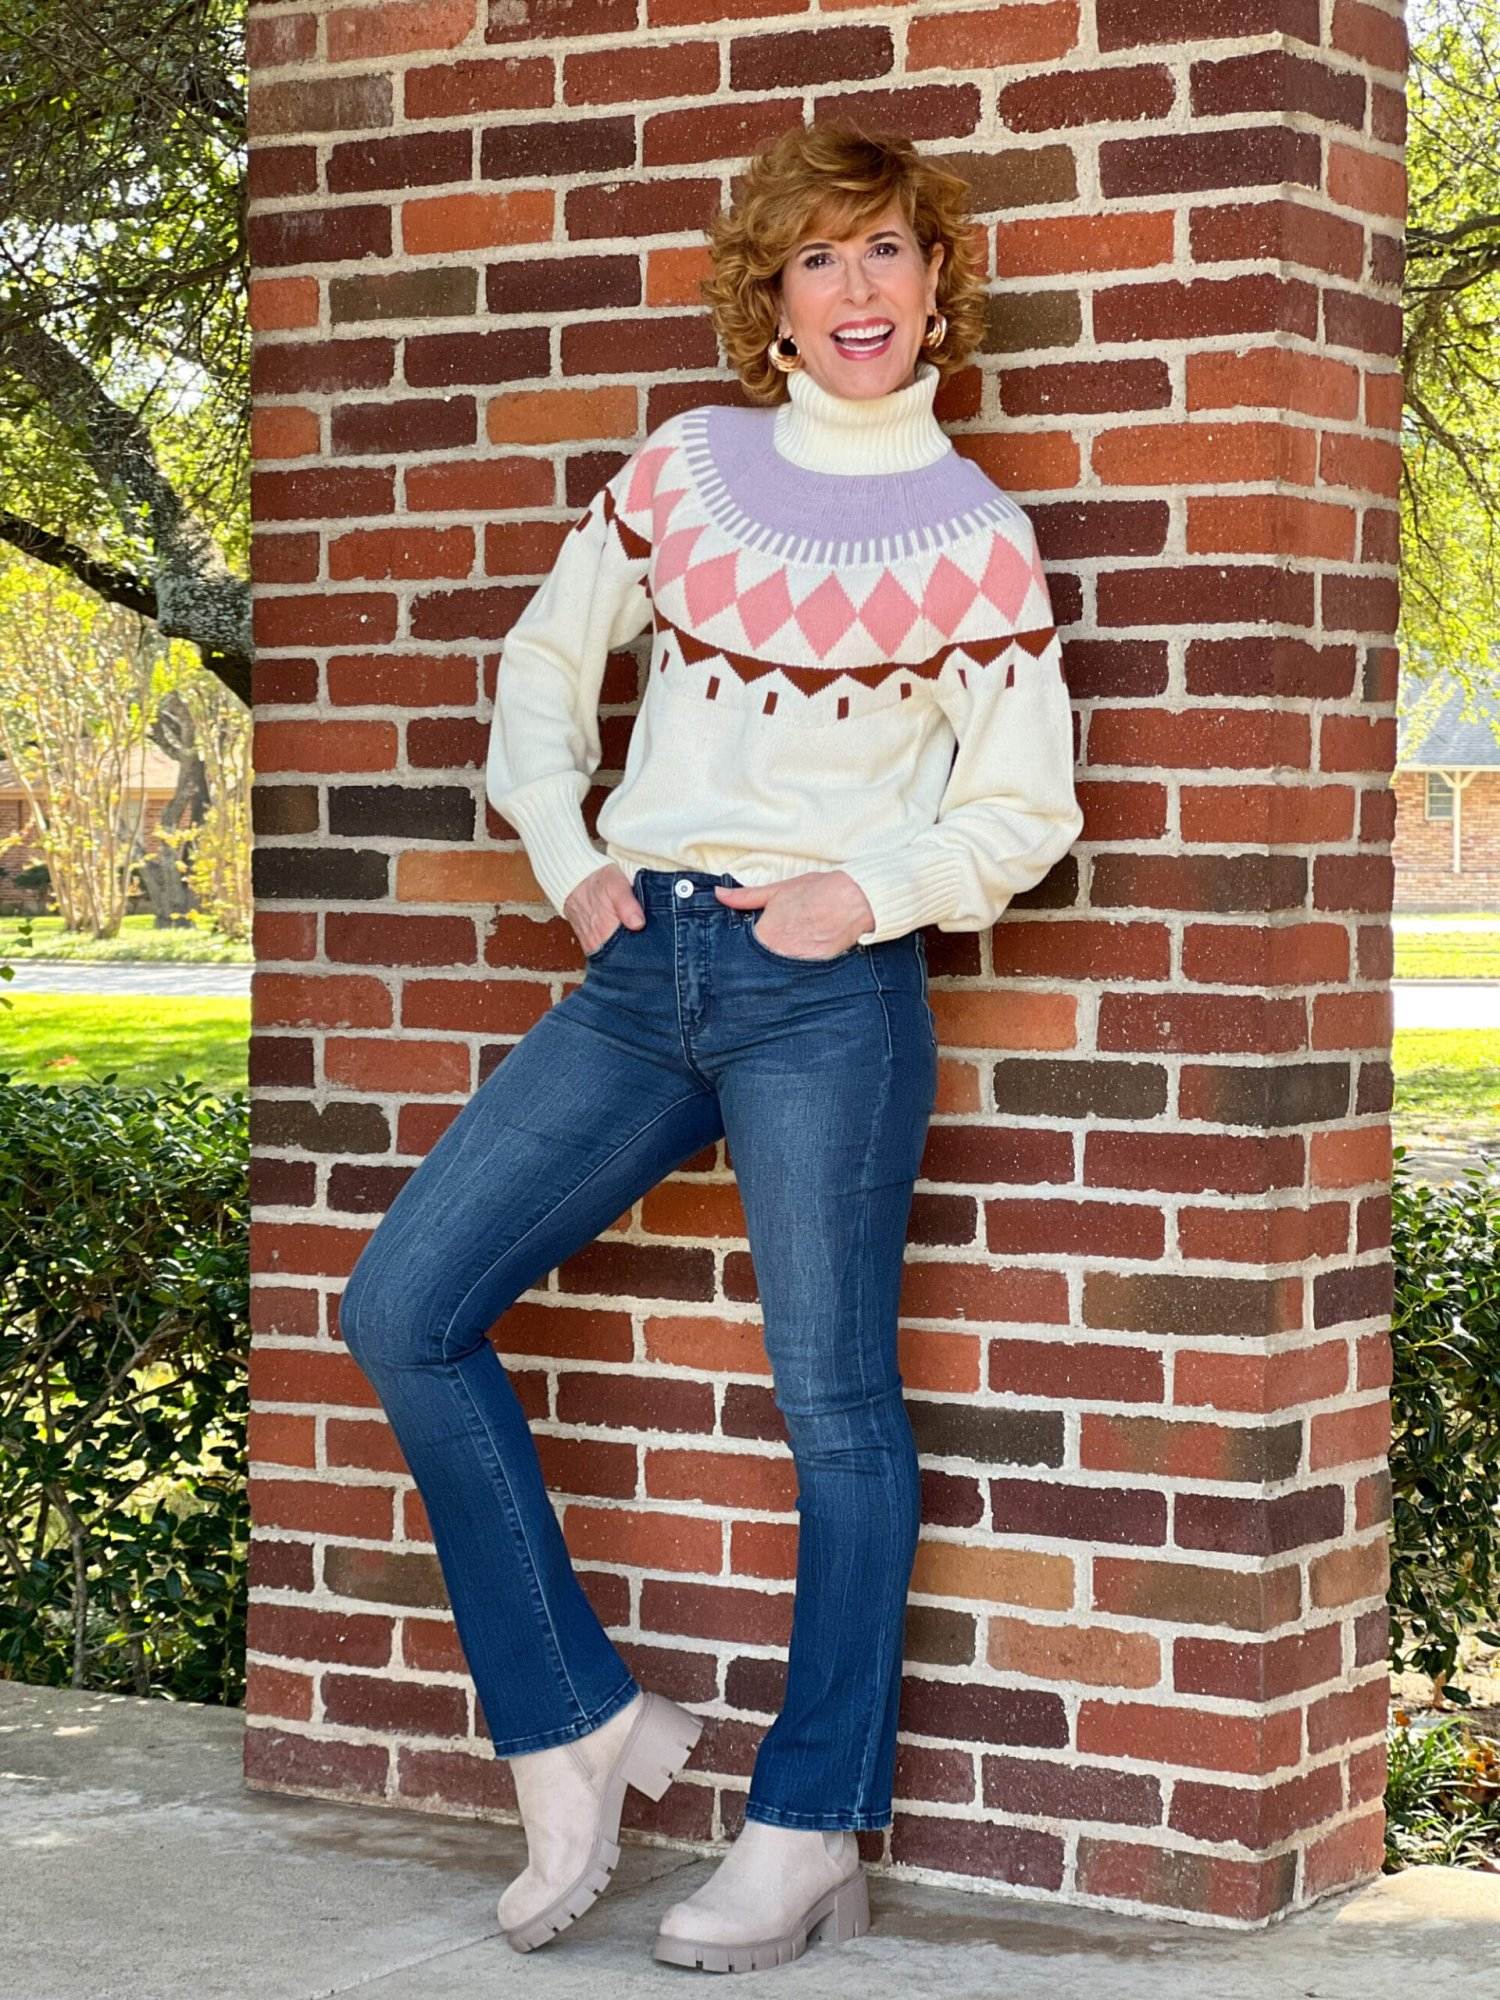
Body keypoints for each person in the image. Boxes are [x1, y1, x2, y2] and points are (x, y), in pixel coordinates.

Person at [338, 118, 1085, 1976]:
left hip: (826, 991)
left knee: (836, 1409)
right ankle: (574, 1720)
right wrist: (575, 864)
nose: (861, 293)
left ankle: (809, 1819)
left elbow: (1027, 809)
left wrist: (869, 892)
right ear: (773, 296)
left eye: (893, 255)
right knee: (403, 1309)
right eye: (822, 260)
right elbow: (539, 669)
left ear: (937, 291)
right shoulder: (687, 470)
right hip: (638, 976)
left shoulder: (977, 539)